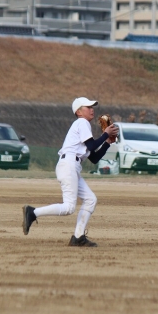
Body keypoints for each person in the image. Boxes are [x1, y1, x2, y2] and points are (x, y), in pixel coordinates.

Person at [22, 97, 119, 247]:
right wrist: (106, 134)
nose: (92, 109)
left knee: (90, 200)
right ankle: (33, 213)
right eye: (88, 107)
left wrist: (107, 143)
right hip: (69, 165)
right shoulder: (82, 122)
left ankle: (78, 237)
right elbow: (92, 146)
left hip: (71, 166)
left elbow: (94, 157)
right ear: (79, 112)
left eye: (92, 107)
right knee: (69, 207)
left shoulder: (83, 126)